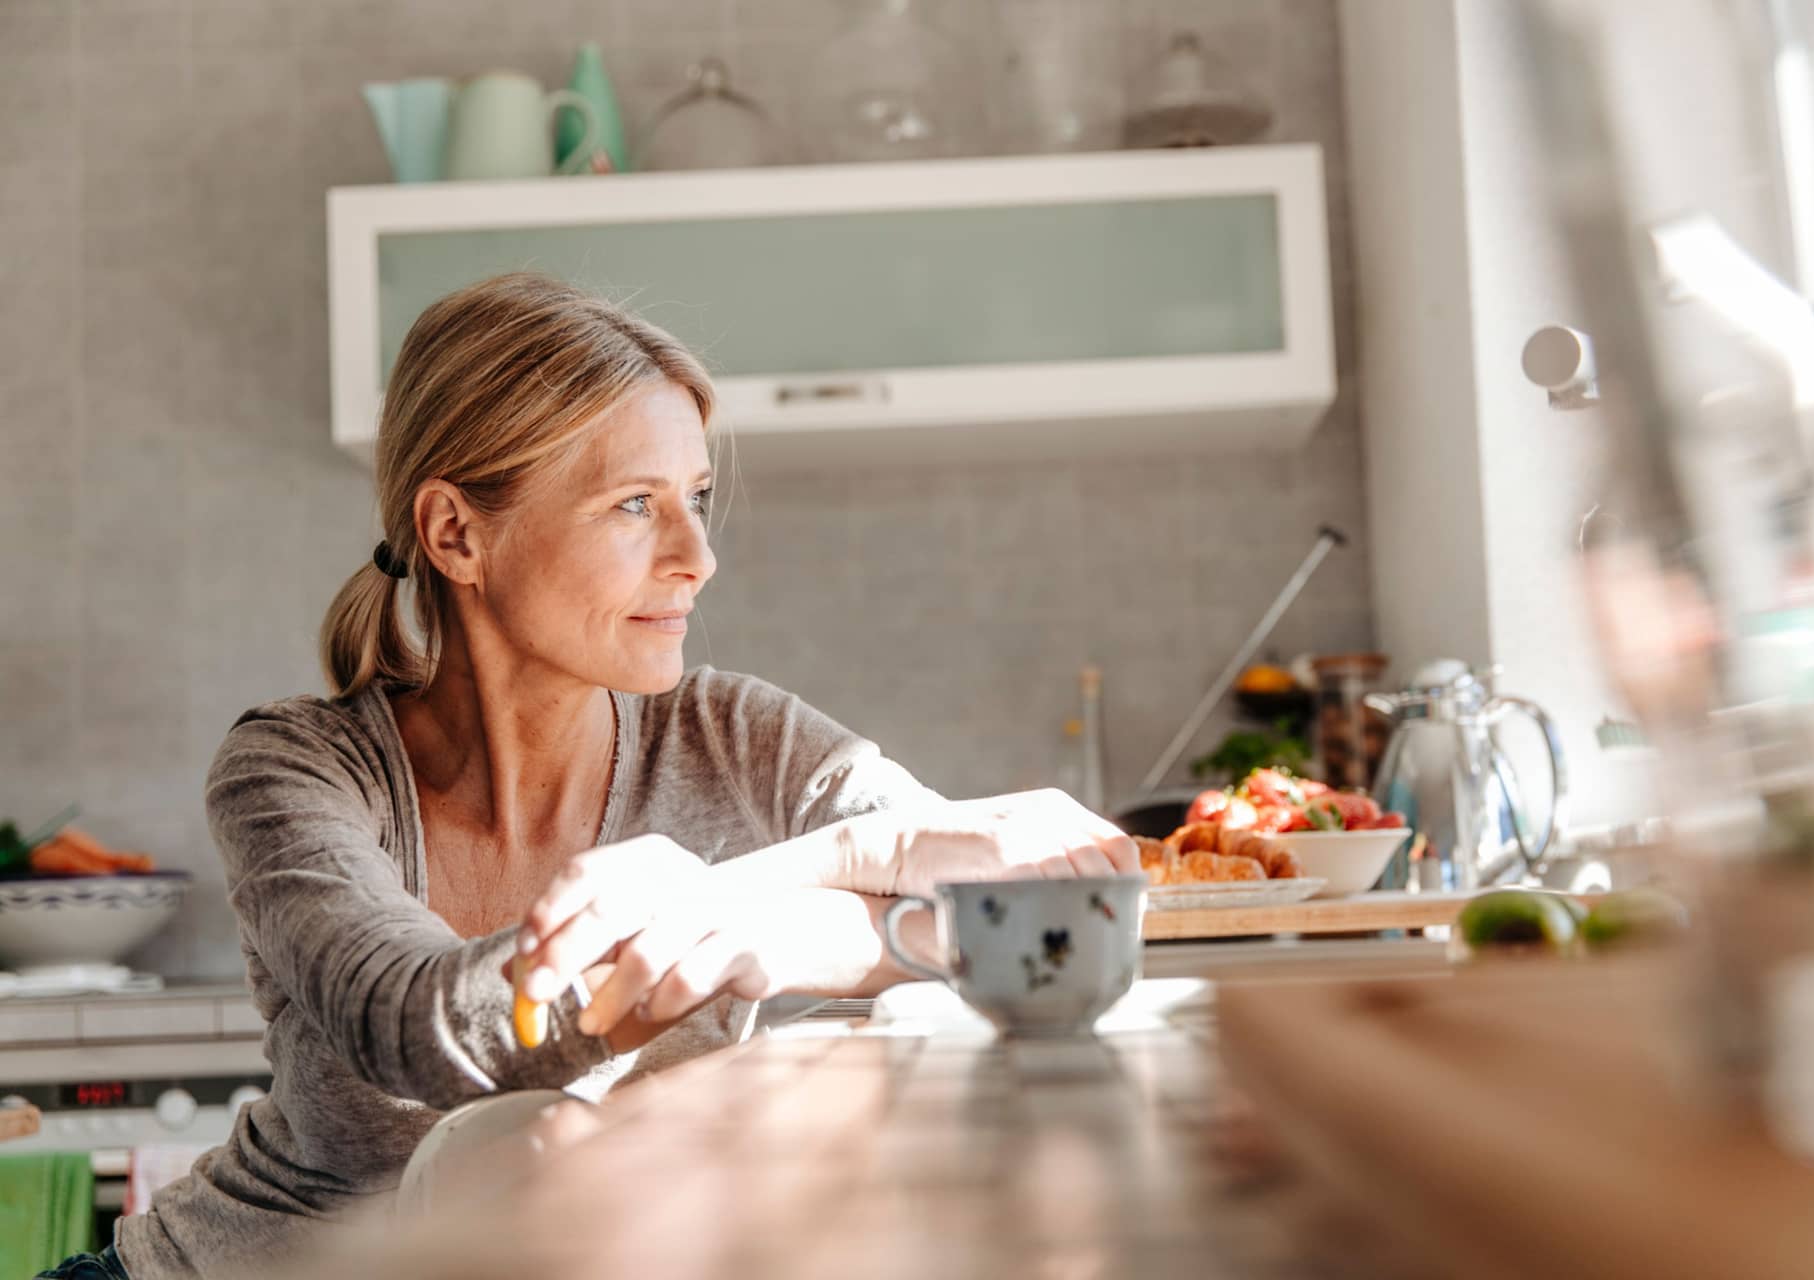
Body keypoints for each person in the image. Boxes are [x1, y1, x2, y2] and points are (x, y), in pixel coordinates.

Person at [43, 273, 1136, 1280]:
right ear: (457, 532)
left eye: (696, 496)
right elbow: (422, 1025)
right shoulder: (296, 768)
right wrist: (855, 863)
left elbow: (1037, 915)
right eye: (633, 504)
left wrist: (761, 916)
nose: (696, 555)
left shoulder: (732, 732)